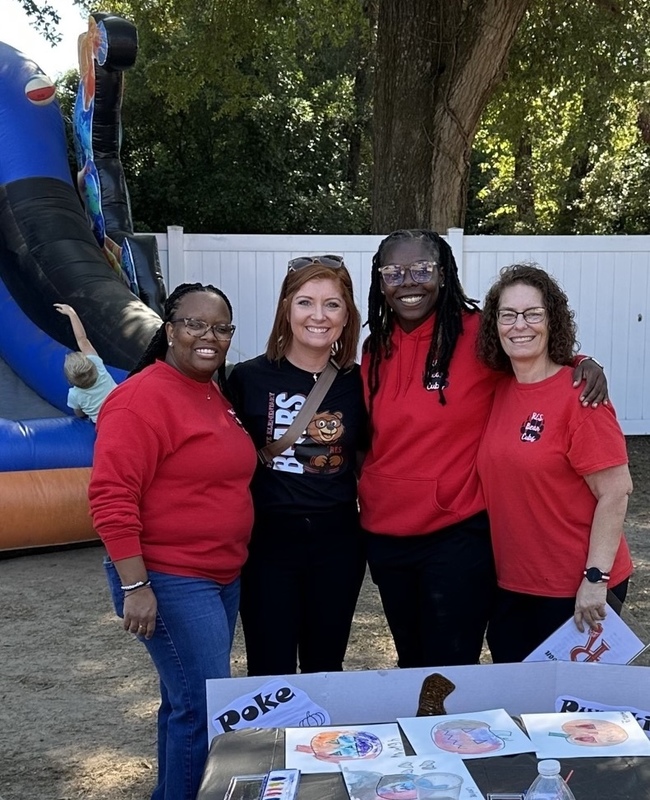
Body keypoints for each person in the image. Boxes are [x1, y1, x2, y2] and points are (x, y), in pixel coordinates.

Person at [358, 229, 608, 669]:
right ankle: (420, 733)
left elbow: (528, 344)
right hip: (386, 535)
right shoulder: (375, 347)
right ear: (381, 283)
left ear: (444, 274)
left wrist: (581, 361)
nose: (409, 282)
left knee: (450, 667)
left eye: (422, 270)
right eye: (394, 272)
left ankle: (451, 737)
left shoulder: (474, 334)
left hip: (456, 534)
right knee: (410, 660)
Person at [88, 282, 257, 800]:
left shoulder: (211, 392)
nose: (209, 336)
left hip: (219, 577)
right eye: (194, 324)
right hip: (171, 578)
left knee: (184, 703)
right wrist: (135, 583)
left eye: (221, 327)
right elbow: (111, 496)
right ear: (169, 329)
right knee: (202, 709)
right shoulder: (140, 399)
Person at [476, 264, 633, 663]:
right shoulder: (498, 389)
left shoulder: (581, 395)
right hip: (512, 584)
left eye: (533, 314)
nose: (519, 325)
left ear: (553, 320)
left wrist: (595, 580)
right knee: (518, 704)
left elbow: (615, 491)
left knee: (569, 720)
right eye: (508, 315)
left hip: (577, 587)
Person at [228, 255, 368, 676]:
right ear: (286, 309)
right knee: (269, 666)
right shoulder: (245, 378)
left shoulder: (360, 383)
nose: (319, 316)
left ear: (347, 316)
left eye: (332, 304)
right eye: (306, 302)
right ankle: (274, 744)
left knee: (326, 666)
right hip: (268, 542)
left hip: (338, 541)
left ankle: (319, 743)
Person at [54, 302, 117, 422]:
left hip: (105, 420)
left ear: (69, 380)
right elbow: (82, 339)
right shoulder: (97, 364)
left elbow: (79, 414)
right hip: (122, 403)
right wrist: (71, 313)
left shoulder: (74, 395)